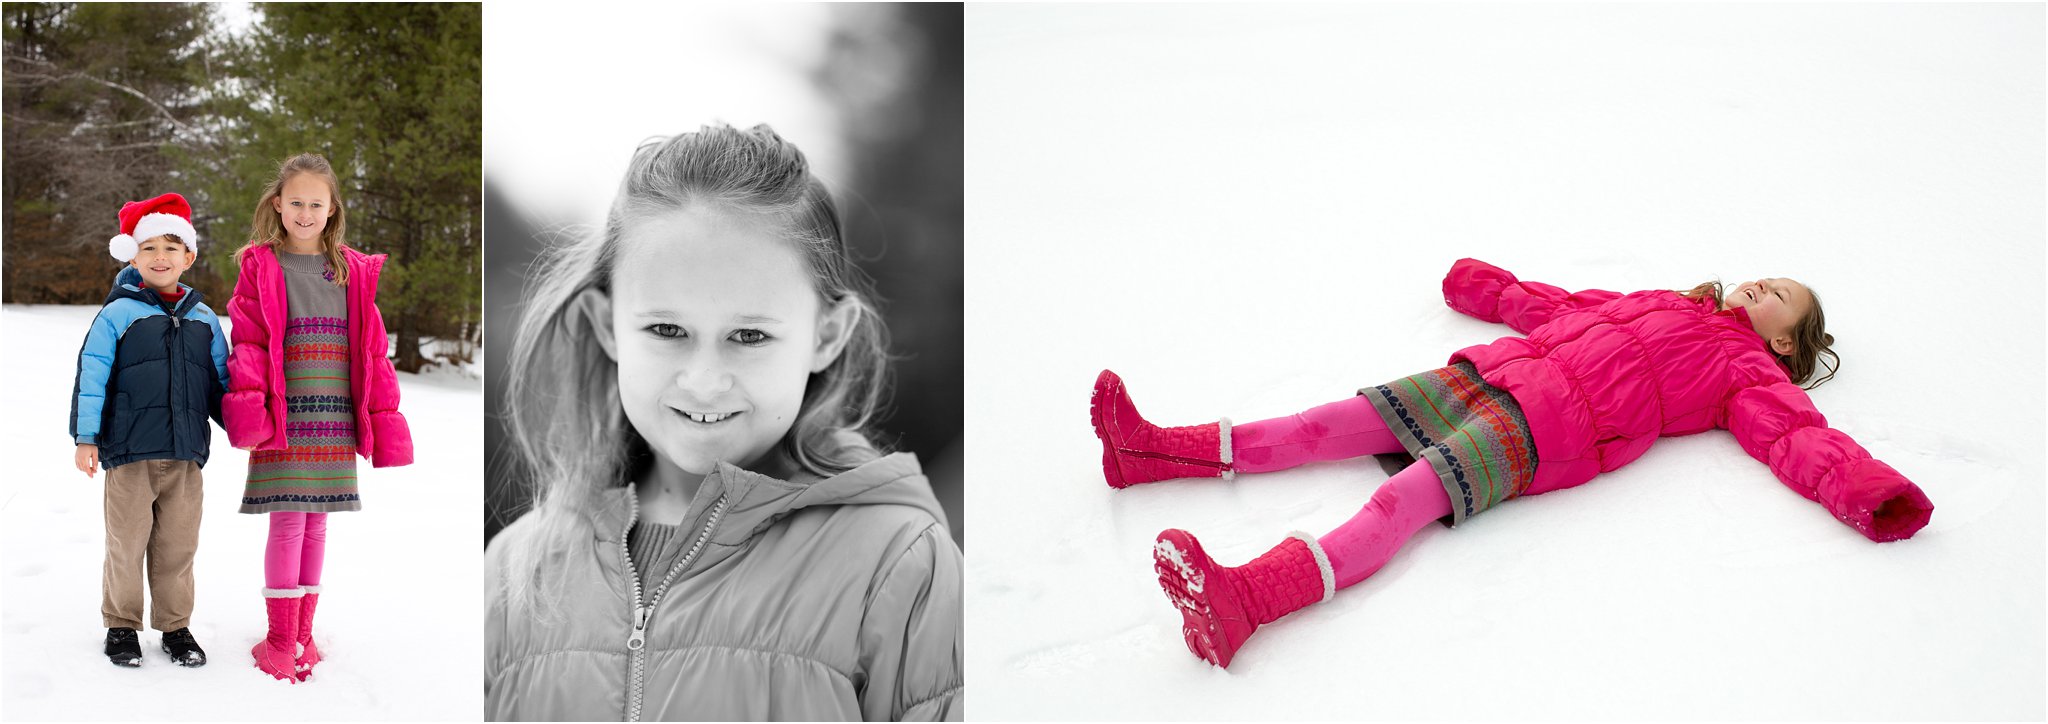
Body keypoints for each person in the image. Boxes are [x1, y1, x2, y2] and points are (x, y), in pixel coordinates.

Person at [1093, 258, 1935, 668]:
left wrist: (1874, 492)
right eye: (1763, 276)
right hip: (1488, 373)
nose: (1761, 285)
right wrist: (1488, 291)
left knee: (1403, 505)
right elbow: (1563, 308)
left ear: (1787, 340)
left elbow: (1798, 438)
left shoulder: (1744, 372)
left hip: (1542, 434)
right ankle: (1152, 450)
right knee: (1328, 421)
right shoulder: (1668, 300)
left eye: (1779, 294)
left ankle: (1247, 600)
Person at [485, 124, 963, 722]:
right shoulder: (517, 569)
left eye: (750, 336)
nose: (704, 379)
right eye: (666, 330)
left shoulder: (897, 562)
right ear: (607, 326)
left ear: (826, 335)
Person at [224, 153, 413, 683]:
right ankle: (281, 638)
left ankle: (304, 632)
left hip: (334, 413)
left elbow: (373, 351)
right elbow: (250, 343)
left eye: (316, 203)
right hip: (286, 412)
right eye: (296, 202)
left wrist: (382, 415)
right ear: (278, 205)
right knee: (288, 520)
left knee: (317, 524)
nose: (306, 212)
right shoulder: (261, 265)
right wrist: (251, 413)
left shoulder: (350, 269)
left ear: (332, 210)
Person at [70, 193, 229, 668]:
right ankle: (122, 625)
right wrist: (86, 437)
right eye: (150, 247)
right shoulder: (118, 313)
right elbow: (92, 373)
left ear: (189, 257)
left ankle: (175, 628)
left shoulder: (204, 320)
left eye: (171, 248)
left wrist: (247, 428)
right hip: (129, 453)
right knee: (127, 542)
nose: (161, 257)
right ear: (133, 256)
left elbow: (221, 383)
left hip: (185, 456)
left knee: (178, 546)